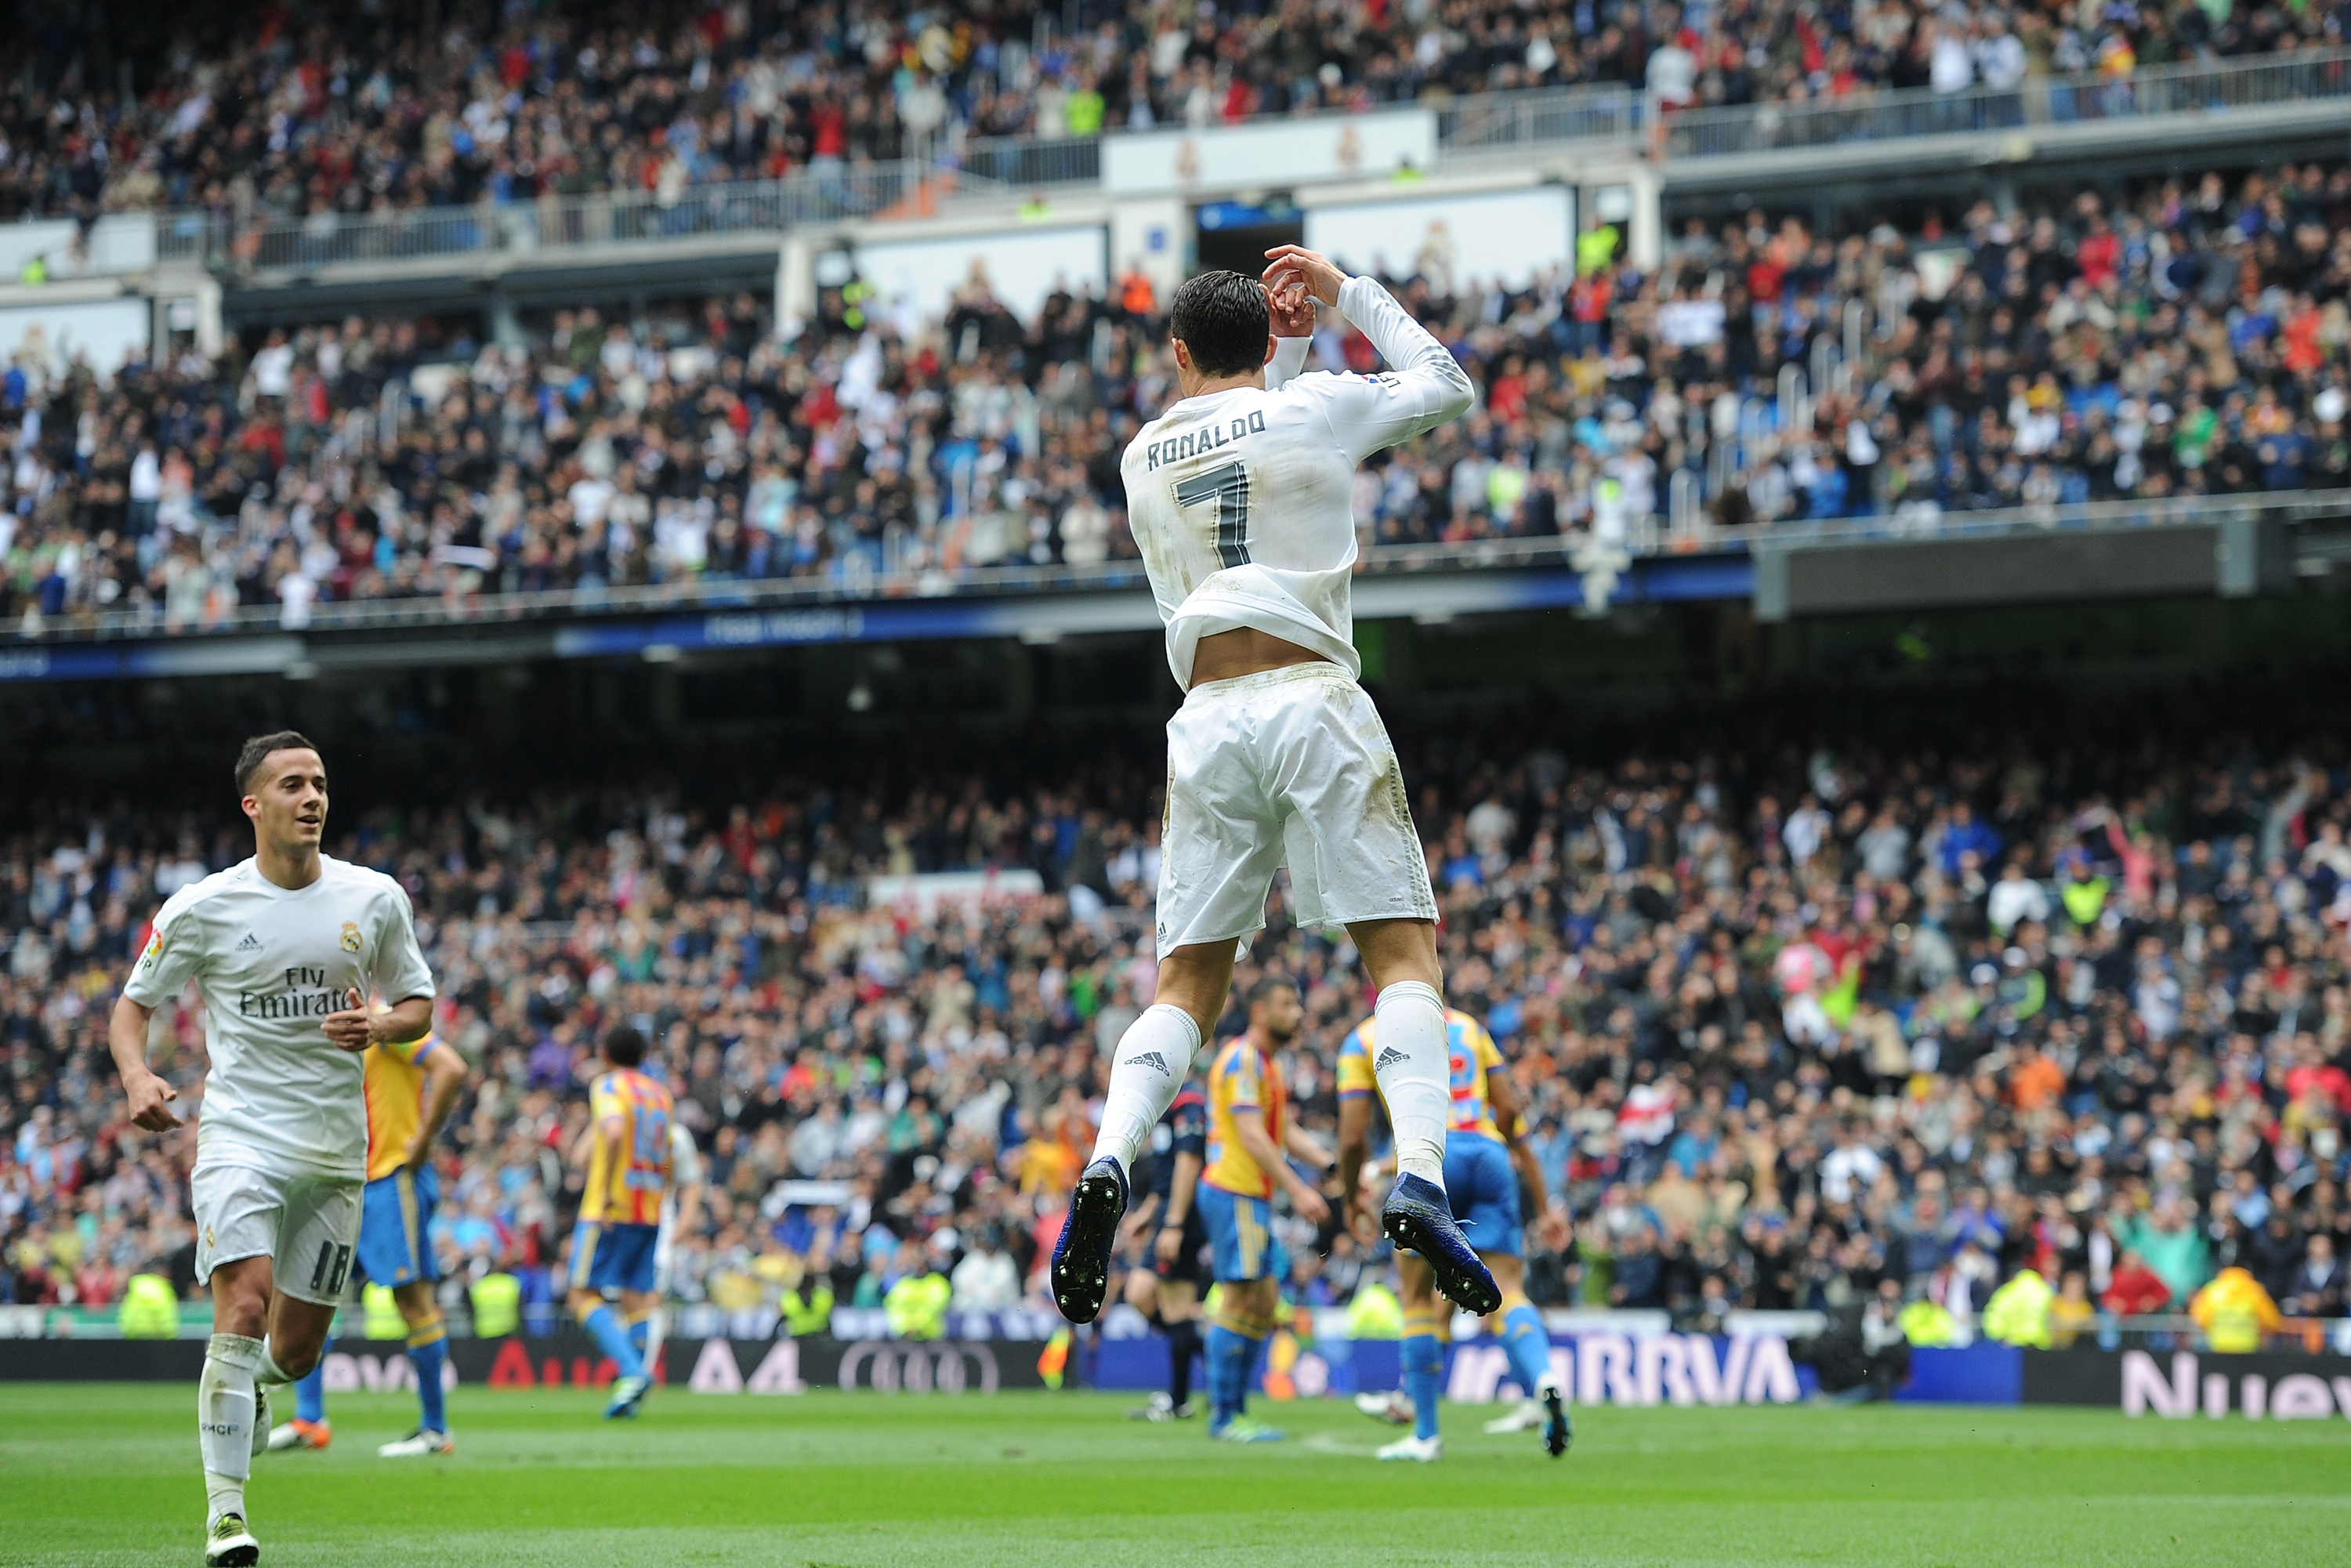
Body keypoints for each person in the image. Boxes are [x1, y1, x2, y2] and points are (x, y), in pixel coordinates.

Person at [1050, 246, 1496, 1335]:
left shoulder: (1141, 453)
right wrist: (1342, 299)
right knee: (1402, 959)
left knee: (1187, 982)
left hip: (1205, 719)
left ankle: (1111, 1155)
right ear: (1263, 344)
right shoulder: (1314, 415)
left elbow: (1241, 433)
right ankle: (1421, 1178)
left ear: (1176, 351)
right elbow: (1444, 382)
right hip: (1311, 694)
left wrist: (1279, 341)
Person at [108, 731, 436, 1566]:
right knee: (242, 1310)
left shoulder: (375, 898)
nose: (313, 797)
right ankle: (226, 1516)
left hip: (334, 1153)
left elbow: (419, 1006)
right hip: (240, 1137)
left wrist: (383, 1024)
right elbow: (132, 1007)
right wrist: (139, 1078)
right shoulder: (204, 906)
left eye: (320, 783)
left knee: (291, 1353)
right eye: (292, 784)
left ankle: (248, 1392)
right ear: (253, 805)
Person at [1338, 1007, 1568, 1462]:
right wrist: (1499, 1152)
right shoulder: (1469, 1026)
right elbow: (1508, 1107)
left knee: (1418, 1299)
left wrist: (1350, 1198)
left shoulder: (1362, 1039)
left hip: (1428, 1155)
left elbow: (1351, 1137)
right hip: (1486, 1153)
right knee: (1510, 1290)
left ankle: (1425, 1434)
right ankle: (1543, 1377)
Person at [273, 1009, 471, 1456]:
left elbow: (452, 1067)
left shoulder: (384, 1025)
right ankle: (309, 1419)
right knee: (314, 1294)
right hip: (343, 1181)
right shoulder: (335, 1026)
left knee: (412, 1300)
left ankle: (435, 1430)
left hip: (387, 1182)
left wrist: (420, 1143)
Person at [1195, 976, 1333, 1442]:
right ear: (1259, 1011)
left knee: (1266, 1299)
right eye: (1285, 1004)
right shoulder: (1243, 1059)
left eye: (1297, 1004)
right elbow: (1253, 1135)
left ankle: (1233, 1409)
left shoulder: (1267, 1066)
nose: (1296, 1013)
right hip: (1234, 1190)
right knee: (1240, 1298)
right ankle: (1224, 1414)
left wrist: (1327, 1163)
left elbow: (1283, 1129)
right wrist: (1298, 1188)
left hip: (1247, 1194)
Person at [563, 1024, 677, 1420]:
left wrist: (609, 1187)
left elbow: (612, 1132)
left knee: (580, 1294)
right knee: (633, 1297)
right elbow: (668, 1150)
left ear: (605, 1052)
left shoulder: (609, 1086)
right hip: (649, 1206)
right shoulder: (660, 1094)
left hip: (610, 1208)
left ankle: (632, 1372)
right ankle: (633, 1388)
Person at [1120, 1078, 1210, 1421]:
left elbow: (1189, 1162)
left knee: (1176, 1310)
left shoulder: (1189, 1103)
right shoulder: (1164, 1106)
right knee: (1140, 1294)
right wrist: (1146, 1215)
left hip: (1183, 1217)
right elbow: (1166, 1176)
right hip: (1166, 1215)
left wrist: (1173, 1224)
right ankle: (1203, 1353)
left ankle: (1179, 1401)